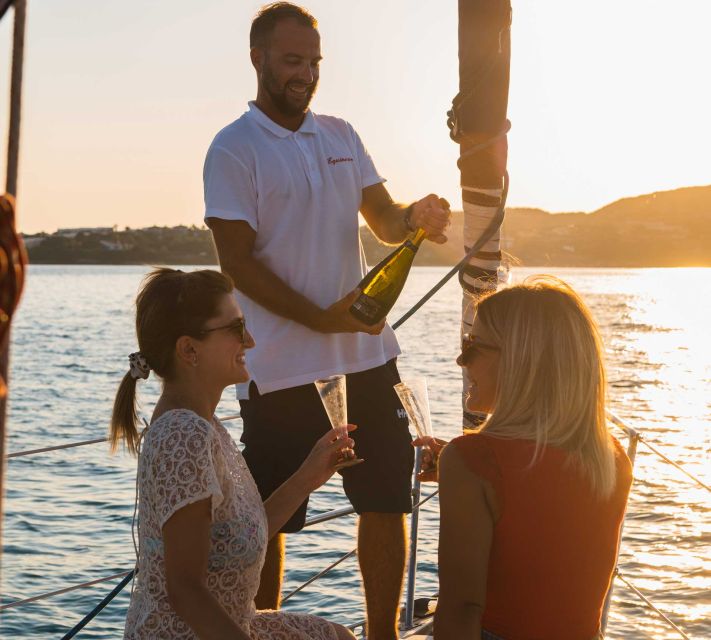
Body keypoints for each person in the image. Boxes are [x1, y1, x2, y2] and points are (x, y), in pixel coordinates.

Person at [203, 3, 451, 638]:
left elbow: (386, 219)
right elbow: (236, 262)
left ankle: (381, 635)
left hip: (366, 355)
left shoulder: (341, 134)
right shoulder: (233, 148)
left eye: (314, 62)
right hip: (280, 366)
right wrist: (319, 318)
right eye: (292, 61)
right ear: (258, 58)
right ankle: (254, 632)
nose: (306, 74)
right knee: (270, 519)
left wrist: (415, 215)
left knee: (386, 499)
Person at [110, 268, 355, 640]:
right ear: (189, 349)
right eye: (238, 329)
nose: (251, 341)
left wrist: (309, 474)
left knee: (336, 636)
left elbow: (238, 538)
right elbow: (185, 592)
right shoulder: (184, 435)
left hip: (228, 625)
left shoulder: (203, 426)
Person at [416, 276, 633, 640]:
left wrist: (464, 471)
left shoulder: (472, 461)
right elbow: (545, 518)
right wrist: (462, 475)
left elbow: (460, 608)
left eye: (473, 346)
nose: (459, 360)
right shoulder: (610, 456)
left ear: (520, 361)